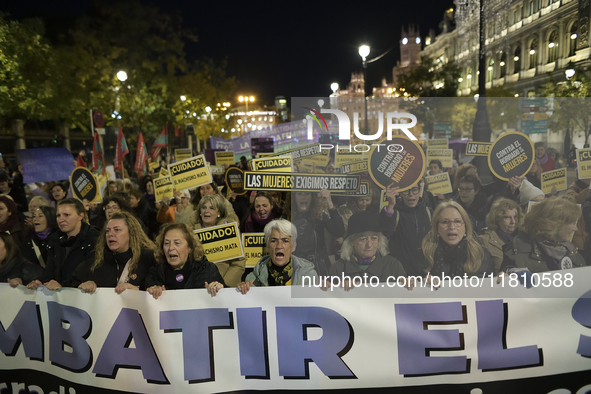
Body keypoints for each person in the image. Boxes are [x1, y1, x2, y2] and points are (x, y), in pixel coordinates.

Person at [71, 212, 157, 293]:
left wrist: (138, 291)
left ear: (131, 233)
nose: (110, 234)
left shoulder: (147, 258)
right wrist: (81, 285)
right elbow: (71, 282)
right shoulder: (95, 258)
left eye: (117, 230)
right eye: (107, 231)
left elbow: (157, 290)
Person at [27, 198, 100, 290]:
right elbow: (50, 272)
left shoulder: (94, 240)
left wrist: (63, 285)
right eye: (58, 215)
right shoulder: (54, 240)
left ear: (80, 215)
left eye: (66, 215)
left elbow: (90, 275)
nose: (61, 219)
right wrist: (39, 281)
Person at [501, 197, 585, 274]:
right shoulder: (519, 250)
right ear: (556, 223)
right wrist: (510, 273)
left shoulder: (570, 248)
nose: (575, 228)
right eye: (572, 223)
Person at [145, 223, 224, 298]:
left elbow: (228, 300)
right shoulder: (155, 272)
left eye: (177, 243)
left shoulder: (207, 270)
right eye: (166, 243)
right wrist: (151, 291)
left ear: (190, 247)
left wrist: (219, 289)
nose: (170, 248)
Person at [237, 219, 317, 293]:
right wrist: (241, 290)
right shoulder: (253, 279)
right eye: (273, 241)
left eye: (285, 241)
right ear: (267, 246)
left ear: (293, 247)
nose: (279, 246)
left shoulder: (309, 276)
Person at [422, 201, 494, 278]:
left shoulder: (482, 255)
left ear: (465, 227)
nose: (452, 227)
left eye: (457, 221)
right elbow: (412, 283)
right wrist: (421, 282)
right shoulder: (424, 255)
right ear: (437, 228)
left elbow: (492, 286)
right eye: (445, 222)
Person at [330, 211, 406, 284]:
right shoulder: (338, 268)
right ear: (351, 242)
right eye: (363, 239)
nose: (369, 245)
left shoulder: (392, 265)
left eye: (374, 238)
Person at [284, 190, 345, 276]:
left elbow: (339, 231)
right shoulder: (286, 217)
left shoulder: (319, 214)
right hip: (297, 266)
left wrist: (330, 203)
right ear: (294, 197)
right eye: (299, 193)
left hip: (319, 267)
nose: (303, 197)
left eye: (307, 193)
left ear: (312, 197)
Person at [378, 183, 432, 277]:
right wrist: (390, 205)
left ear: (420, 191)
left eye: (414, 190)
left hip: (426, 273)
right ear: (400, 193)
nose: (411, 194)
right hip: (401, 274)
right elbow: (384, 232)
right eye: (406, 191)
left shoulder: (429, 212)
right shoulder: (394, 212)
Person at [193, 194, 245, 287]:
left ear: (219, 213)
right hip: (197, 288)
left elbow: (238, 264)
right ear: (200, 212)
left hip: (223, 288)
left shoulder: (229, 232)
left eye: (211, 208)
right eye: (204, 207)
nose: (206, 211)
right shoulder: (191, 233)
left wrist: (223, 284)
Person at [479, 198, 523, 273]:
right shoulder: (485, 241)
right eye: (507, 217)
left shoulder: (524, 239)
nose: (513, 221)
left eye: (515, 217)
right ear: (497, 219)